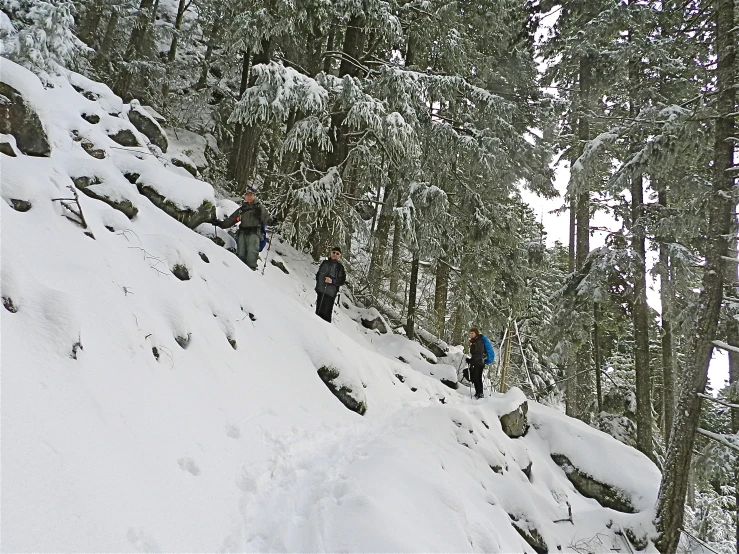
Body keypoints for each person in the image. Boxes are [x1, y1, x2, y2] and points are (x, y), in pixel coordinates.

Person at [212, 188, 268, 270]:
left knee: (252, 253)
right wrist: (220, 224)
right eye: (247, 195)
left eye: (251, 195)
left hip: (254, 234)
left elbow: (267, 218)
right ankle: (239, 273)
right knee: (240, 254)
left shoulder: (259, 208)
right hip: (242, 234)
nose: (249, 197)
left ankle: (251, 273)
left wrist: (272, 222)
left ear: (254, 196)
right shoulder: (242, 210)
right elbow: (231, 220)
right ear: (244, 197)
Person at [315, 247, 346, 322]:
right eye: (334, 252)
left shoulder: (340, 267)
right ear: (331, 253)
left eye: (337, 253)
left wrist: (332, 281)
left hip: (330, 294)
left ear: (339, 256)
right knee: (317, 313)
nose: (335, 254)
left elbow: (342, 281)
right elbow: (318, 274)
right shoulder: (324, 263)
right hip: (320, 291)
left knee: (326, 316)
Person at [466, 327, 485, 399]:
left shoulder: (478, 342)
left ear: (476, 334)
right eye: (470, 333)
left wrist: (471, 361)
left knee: (478, 378)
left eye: (472, 333)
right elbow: (475, 354)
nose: (471, 334)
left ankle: (480, 393)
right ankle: (478, 393)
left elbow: (478, 354)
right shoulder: (475, 341)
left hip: (479, 363)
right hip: (477, 362)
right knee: (476, 378)